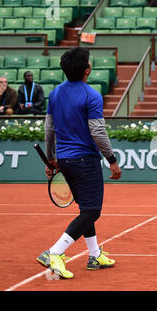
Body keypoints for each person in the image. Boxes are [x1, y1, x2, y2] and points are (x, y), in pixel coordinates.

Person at [36, 47, 122, 279]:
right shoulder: (92, 95)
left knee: (86, 209)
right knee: (92, 211)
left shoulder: (54, 94)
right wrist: (112, 160)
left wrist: (51, 158)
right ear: (87, 70)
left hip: (64, 160)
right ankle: (55, 252)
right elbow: (97, 131)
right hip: (85, 160)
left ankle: (94, 255)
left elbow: (49, 128)